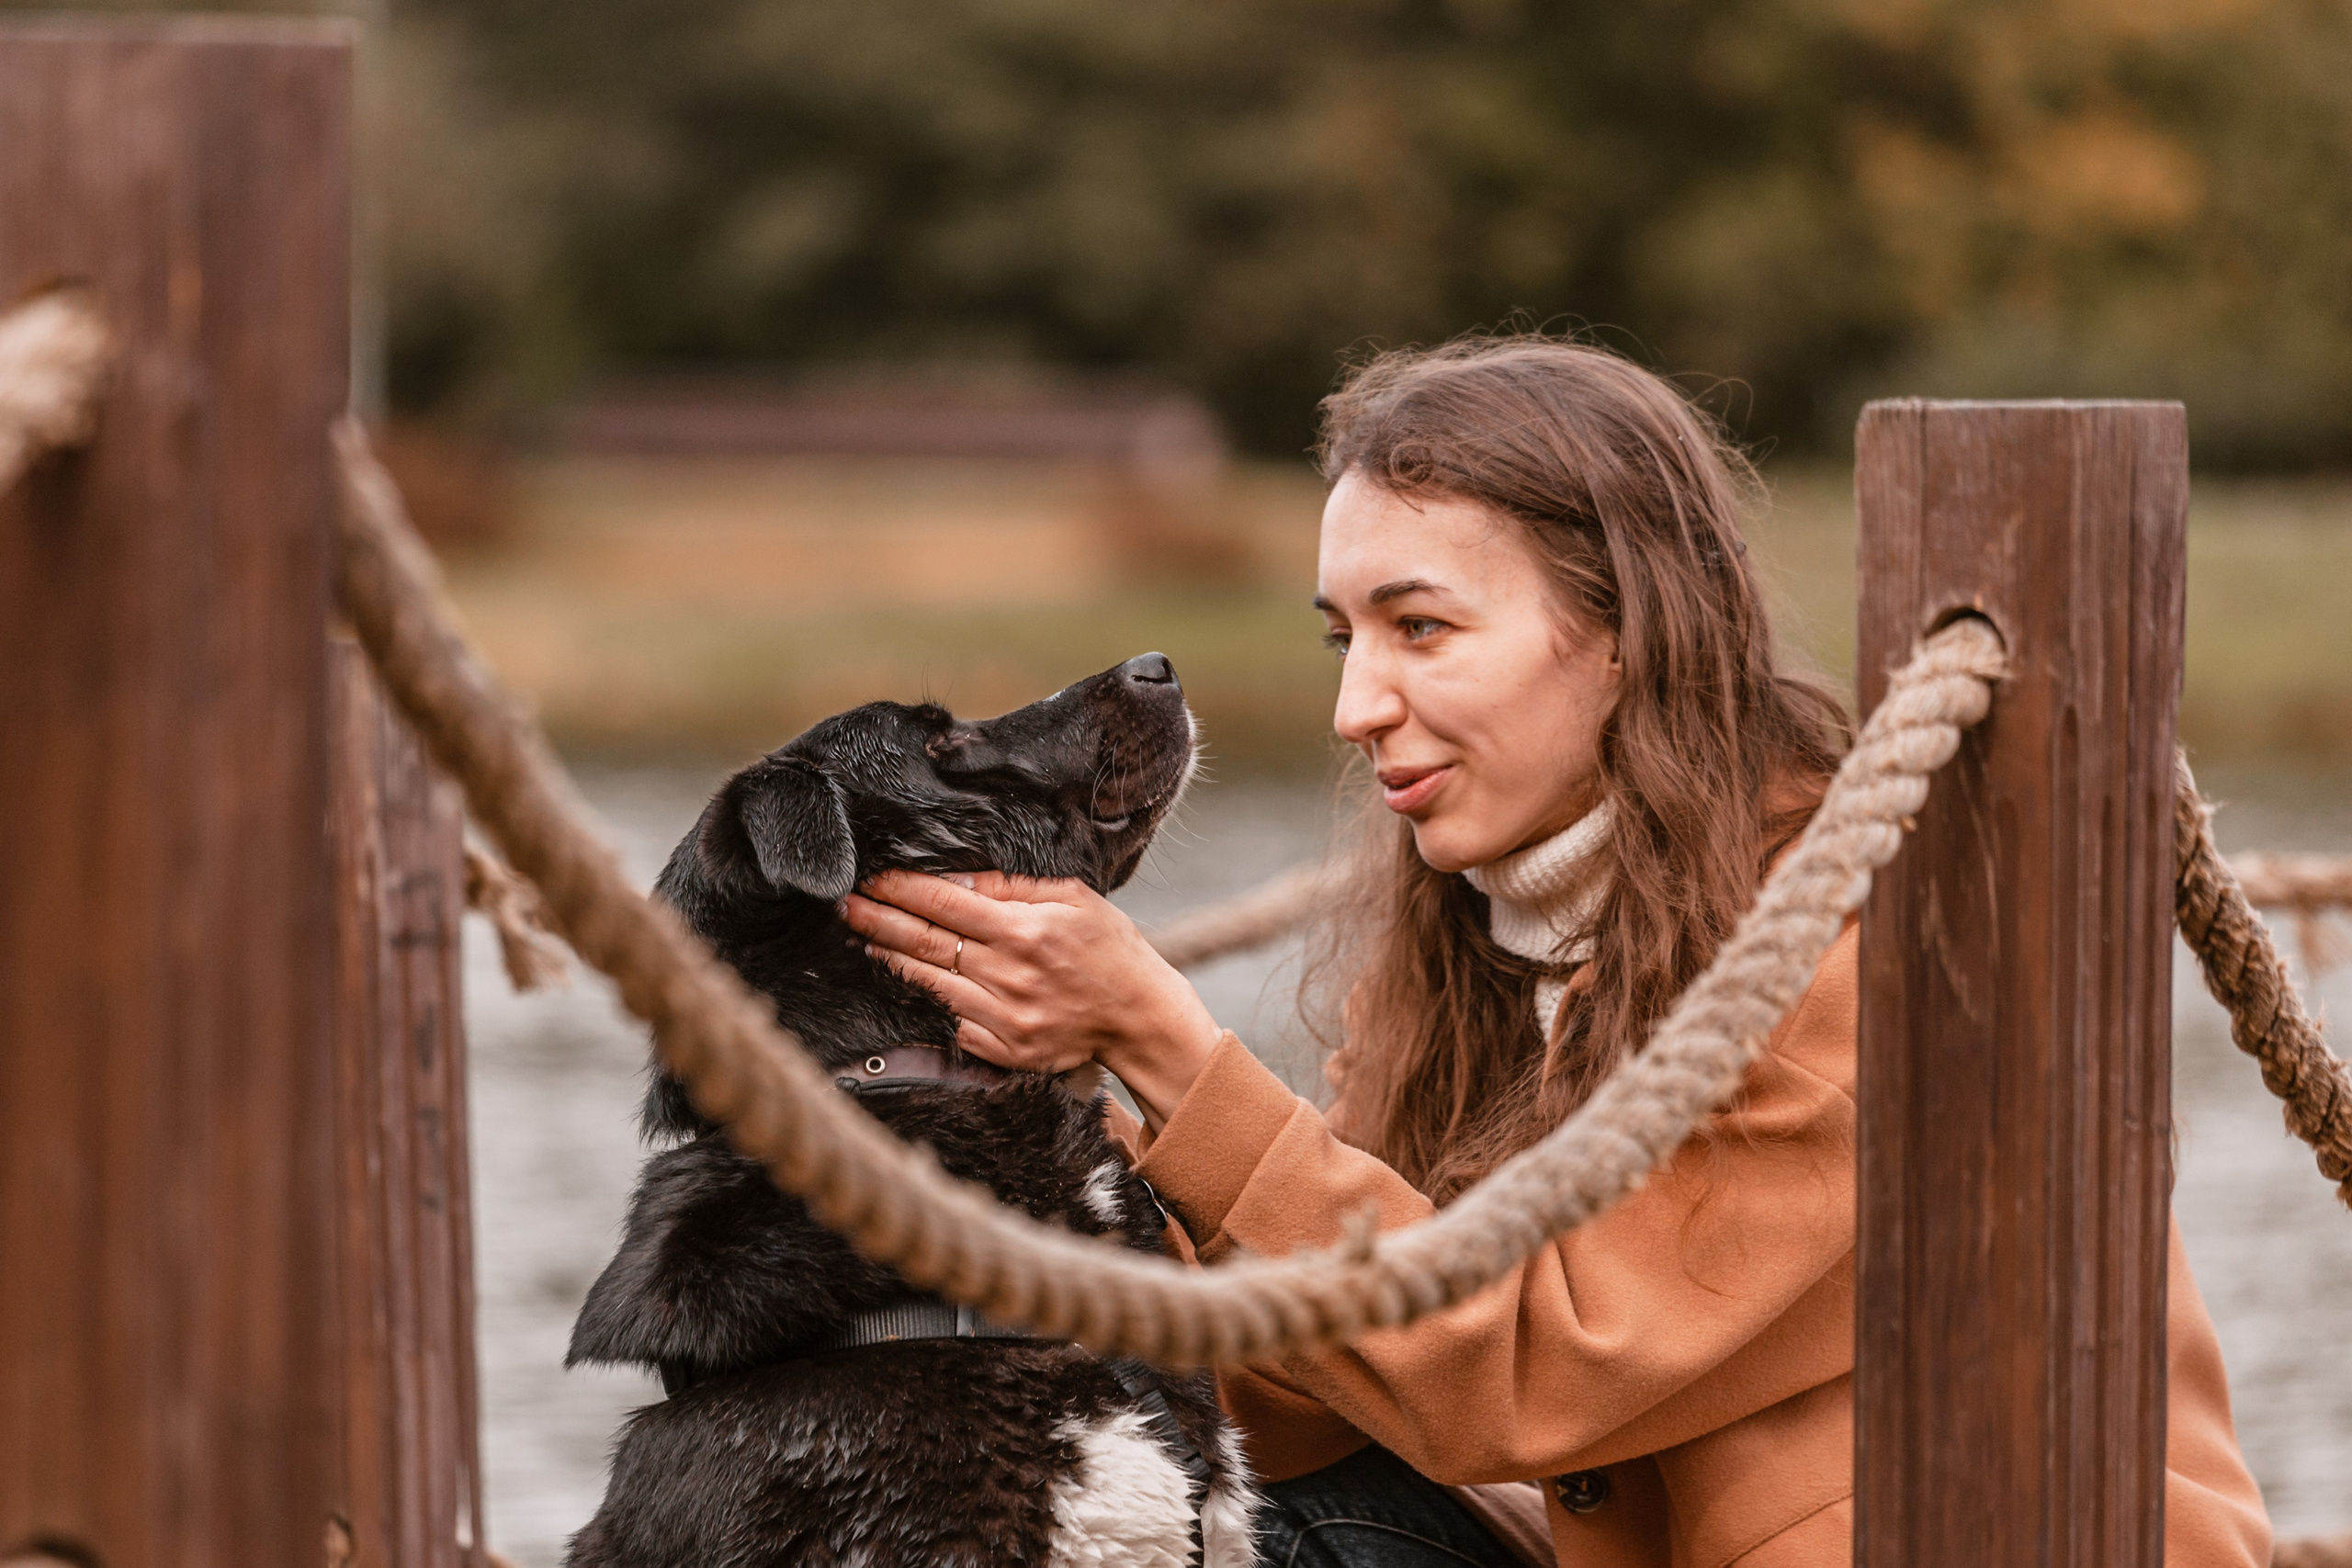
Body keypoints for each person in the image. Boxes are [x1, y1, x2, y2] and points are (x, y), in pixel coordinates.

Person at [839, 336, 2273, 1568]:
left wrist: (1168, 1043)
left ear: (1626, 634)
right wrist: (1031, 1132)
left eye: (1422, 629)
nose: (1358, 706)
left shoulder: (1862, 941)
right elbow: (1295, 1412)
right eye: (1346, 637)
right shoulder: (1486, 956)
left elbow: (1530, 1374)